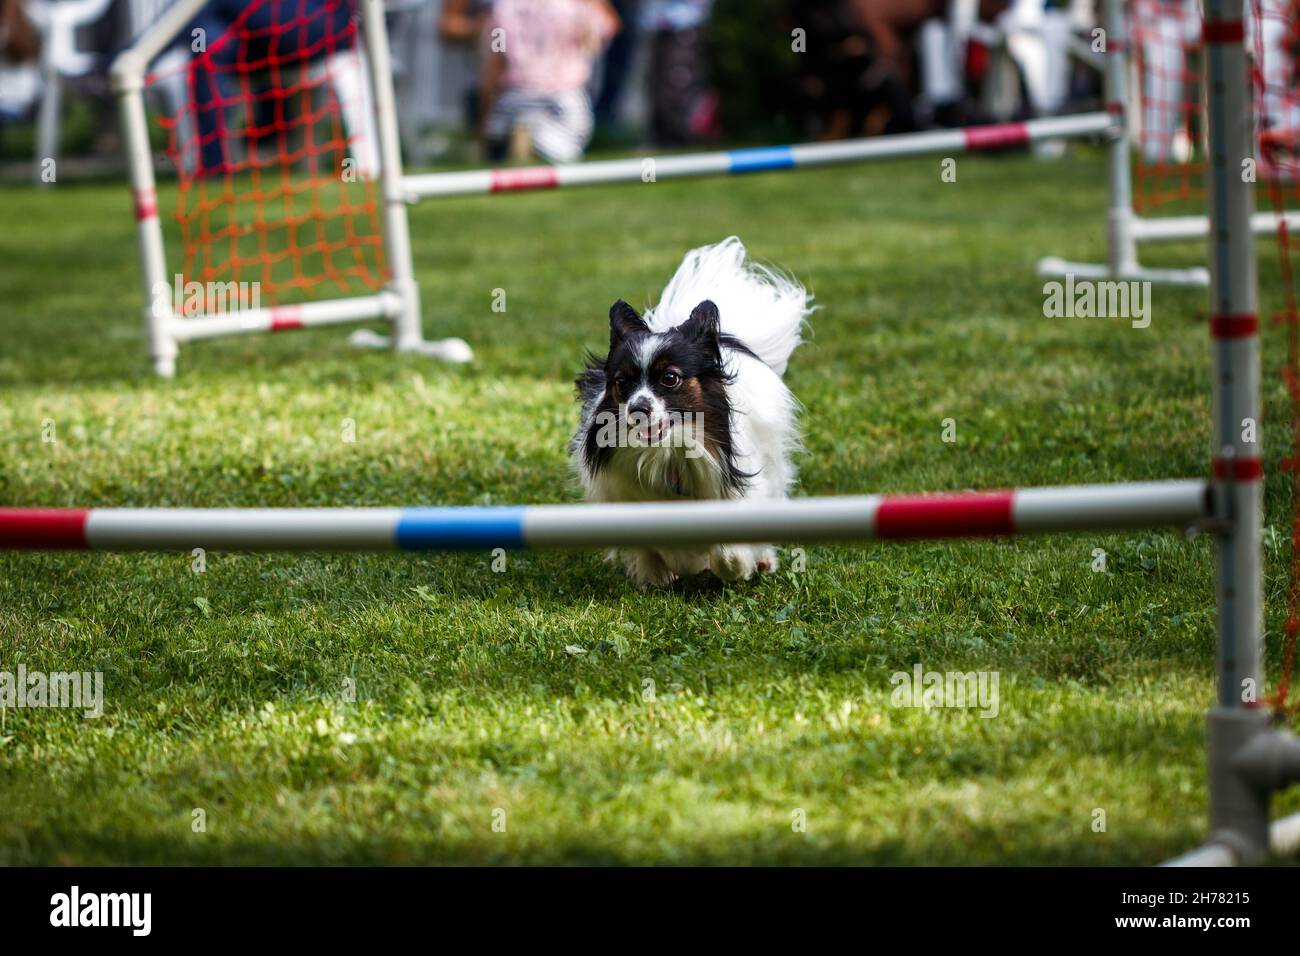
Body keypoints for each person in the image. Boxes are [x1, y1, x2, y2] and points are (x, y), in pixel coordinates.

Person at [480, 0, 620, 163]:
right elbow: (608, 27)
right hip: (564, 96)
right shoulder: (576, 5)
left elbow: (496, 62)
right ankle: (537, 141)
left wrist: (484, 116)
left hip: (514, 95)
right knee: (567, 149)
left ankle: (518, 134)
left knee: (498, 138)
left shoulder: (504, 6)